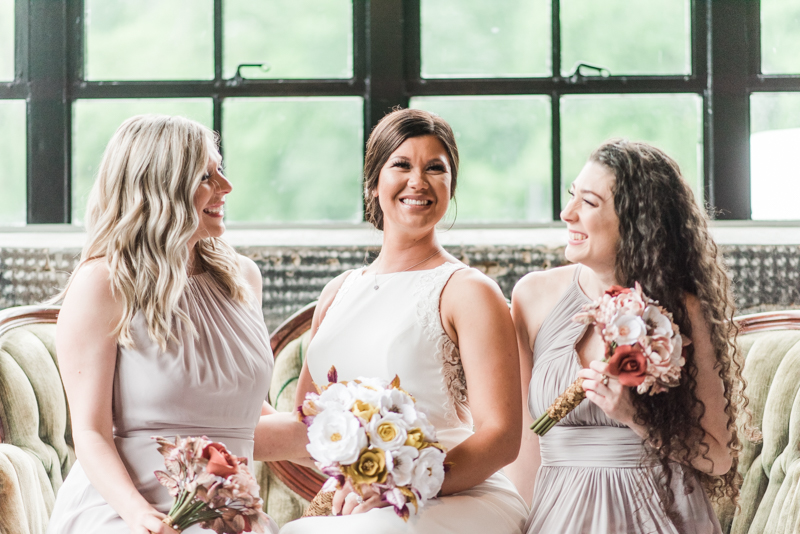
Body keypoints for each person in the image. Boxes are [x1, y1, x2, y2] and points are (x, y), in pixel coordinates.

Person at [280, 108, 529, 534]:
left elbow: (501, 437)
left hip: (453, 494)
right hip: (358, 499)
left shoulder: (468, 290)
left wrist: (406, 485)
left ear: (451, 186)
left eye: (436, 168)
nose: (419, 181)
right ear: (373, 184)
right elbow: (309, 424)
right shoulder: (337, 292)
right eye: (401, 165)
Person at [47, 115, 289, 534]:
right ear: (161, 186)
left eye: (221, 170)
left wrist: (359, 444)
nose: (225, 187)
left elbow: (244, 416)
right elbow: (90, 433)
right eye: (206, 177)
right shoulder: (103, 283)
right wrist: (141, 516)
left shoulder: (242, 278)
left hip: (227, 518)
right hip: (124, 511)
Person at [506, 139, 748, 533]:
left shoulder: (683, 311)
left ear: (636, 221)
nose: (567, 214)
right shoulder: (531, 297)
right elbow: (524, 444)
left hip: (655, 513)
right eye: (572, 197)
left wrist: (635, 417)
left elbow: (718, 455)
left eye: (588, 202)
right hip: (555, 511)